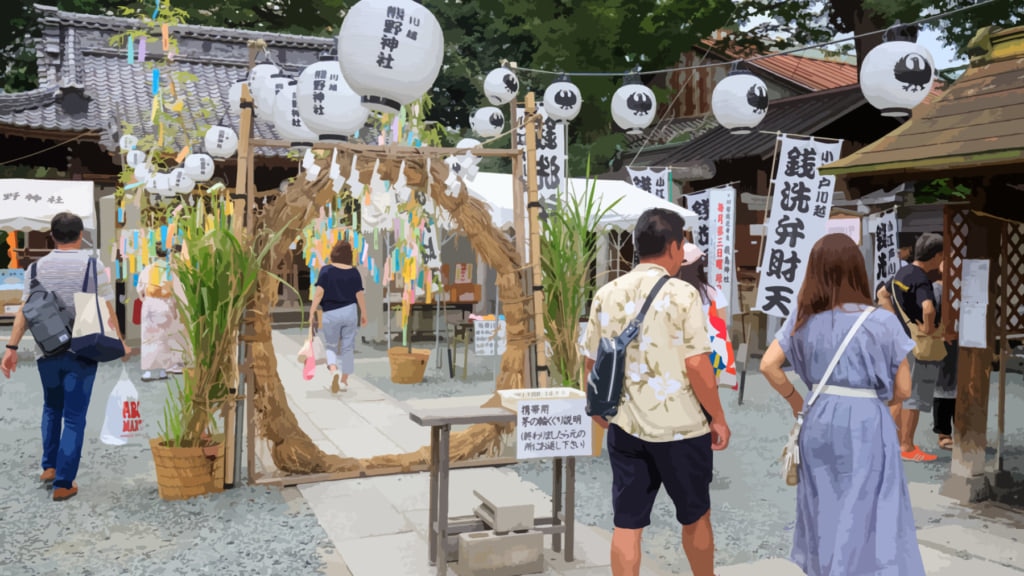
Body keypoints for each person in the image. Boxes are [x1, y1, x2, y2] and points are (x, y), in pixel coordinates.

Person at [759, 233, 925, 576]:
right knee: (868, 508)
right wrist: (880, 400)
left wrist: (796, 400)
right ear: (857, 270)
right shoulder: (881, 321)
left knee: (824, 506)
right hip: (866, 418)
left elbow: (768, 365)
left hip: (818, 416)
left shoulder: (802, 318)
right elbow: (904, 388)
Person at [582, 208, 730, 576]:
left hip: (627, 426)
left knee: (628, 523)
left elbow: (592, 361)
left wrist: (598, 404)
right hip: (683, 428)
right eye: (683, 245)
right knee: (695, 516)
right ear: (675, 246)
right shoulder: (684, 294)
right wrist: (718, 417)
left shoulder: (607, 293)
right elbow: (698, 365)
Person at [1, 212, 129, 501]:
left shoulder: (35, 269)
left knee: (51, 408)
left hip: (46, 351)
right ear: (81, 234)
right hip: (81, 349)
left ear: (52, 235)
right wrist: (120, 343)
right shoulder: (92, 265)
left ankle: (49, 466)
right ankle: (63, 482)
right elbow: (107, 308)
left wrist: (11, 348)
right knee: (74, 416)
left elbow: (25, 310)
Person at [877, 232, 944, 462]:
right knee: (913, 396)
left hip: (900, 341)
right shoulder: (921, 279)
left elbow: (881, 294)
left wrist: (898, 322)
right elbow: (927, 307)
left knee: (899, 394)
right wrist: (927, 328)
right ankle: (906, 445)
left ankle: (890, 442)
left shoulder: (902, 272)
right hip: (916, 346)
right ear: (935, 256)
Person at [308, 240, 367, 393]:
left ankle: (333, 370)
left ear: (334, 253)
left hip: (331, 312)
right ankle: (344, 379)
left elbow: (319, 293)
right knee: (348, 346)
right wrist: (364, 313)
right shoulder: (354, 272)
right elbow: (359, 295)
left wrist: (312, 311)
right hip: (350, 311)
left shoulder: (326, 270)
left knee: (331, 345)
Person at [136, 243, 188, 381]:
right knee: (163, 339)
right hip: (165, 304)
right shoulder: (171, 270)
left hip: (149, 304)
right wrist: (176, 309)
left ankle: (147, 372)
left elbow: (139, 289)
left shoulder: (147, 269)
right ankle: (162, 372)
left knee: (148, 339)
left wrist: (144, 300)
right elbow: (176, 292)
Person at [932, 258, 958, 450]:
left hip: (963, 343)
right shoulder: (935, 289)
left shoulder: (962, 289)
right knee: (943, 387)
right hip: (943, 343)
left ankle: (962, 430)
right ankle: (943, 432)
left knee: (962, 387)